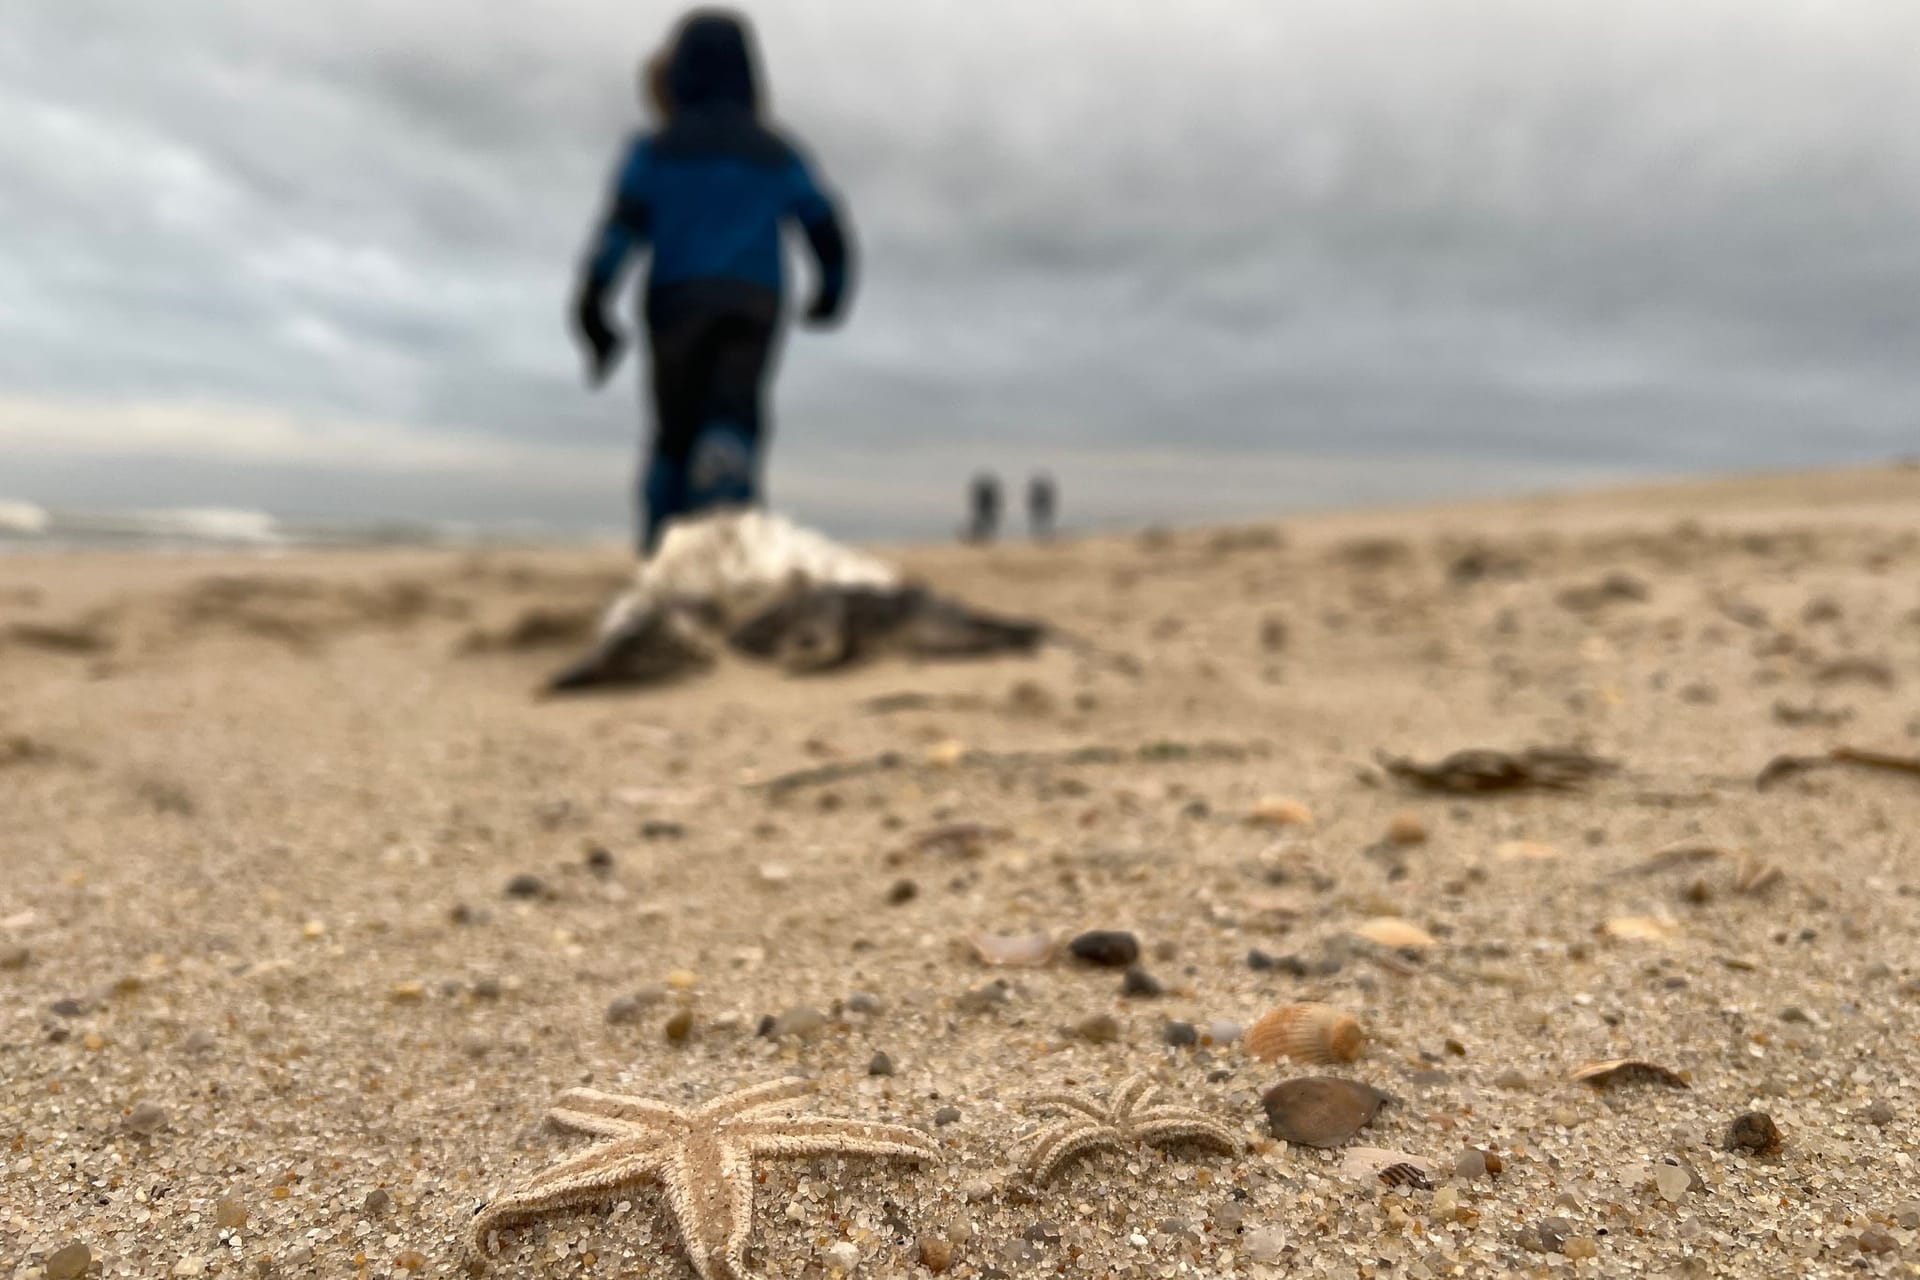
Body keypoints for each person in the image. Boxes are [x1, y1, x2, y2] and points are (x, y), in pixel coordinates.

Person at [571, 10, 854, 554]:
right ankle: (731, 533)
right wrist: (832, 289)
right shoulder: (776, 151)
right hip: (753, 299)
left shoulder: (655, 149)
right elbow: (825, 223)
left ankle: (663, 549)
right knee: (733, 414)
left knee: (674, 432)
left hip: (677, 299)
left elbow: (618, 232)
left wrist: (592, 304)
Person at [1027, 471, 1056, 541]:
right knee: (1040, 522)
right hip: (1040, 509)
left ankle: (1042, 535)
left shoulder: (1039, 492)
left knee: (1041, 522)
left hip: (1041, 509)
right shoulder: (1040, 491)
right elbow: (1032, 502)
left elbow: (1048, 500)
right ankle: (1040, 535)